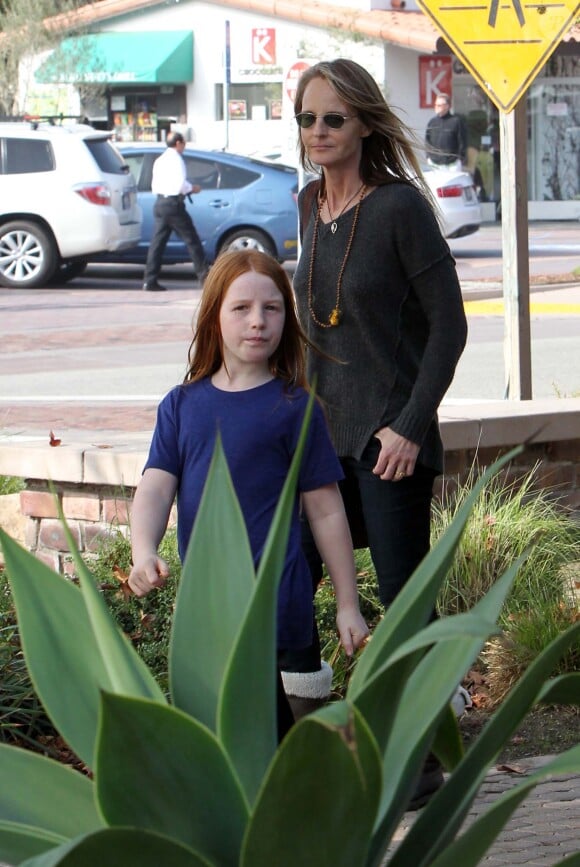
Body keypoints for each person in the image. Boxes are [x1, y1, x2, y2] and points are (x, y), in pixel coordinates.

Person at [285, 58, 468, 805]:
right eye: (307, 118)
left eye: (334, 118)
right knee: (289, 576)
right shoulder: (306, 204)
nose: (319, 131)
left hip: (389, 441)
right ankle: (309, 735)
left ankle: (420, 760)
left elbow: (449, 328)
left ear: (363, 124)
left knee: (401, 595)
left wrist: (409, 426)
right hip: (321, 440)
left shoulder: (399, 209)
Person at [128, 248, 369, 739]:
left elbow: (325, 512)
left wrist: (348, 602)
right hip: (210, 617)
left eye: (272, 308)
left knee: (287, 753)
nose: (258, 322)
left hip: (283, 611)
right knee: (221, 744)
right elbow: (155, 487)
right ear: (215, 316)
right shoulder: (182, 406)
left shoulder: (296, 408)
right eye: (241, 308)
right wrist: (142, 550)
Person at [142, 131, 209, 291]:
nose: (184, 146)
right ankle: (204, 277)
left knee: (157, 244)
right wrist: (194, 188)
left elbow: (155, 184)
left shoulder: (160, 160)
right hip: (173, 204)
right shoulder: (176, 159)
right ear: (178, 143)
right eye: (183, 143)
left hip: (160, 203)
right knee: (192, 240)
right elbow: (181, 184)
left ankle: (149, 280)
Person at [425, 92, 467, 170]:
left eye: (439, 105)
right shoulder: (432, 122)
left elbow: (462, 142)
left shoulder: (456, 122)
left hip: (452, 164)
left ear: (447, 106)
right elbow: (427, 141)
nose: (436, 107)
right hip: (434, 164)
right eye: (436, 105)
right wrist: (428, 157)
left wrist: (460, 159)